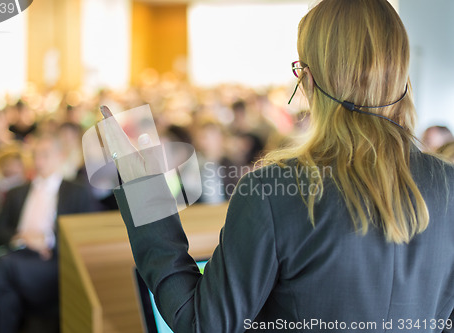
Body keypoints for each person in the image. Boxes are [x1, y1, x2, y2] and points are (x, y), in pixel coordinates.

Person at [96, 0, 454, 332]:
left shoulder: (271, 193)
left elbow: (203, 323)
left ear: (308, 81)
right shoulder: (449, 184)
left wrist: (145, 191)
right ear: (400, 77)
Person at [0, 135, 93, 333]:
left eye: (45, 155)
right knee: (4, 298)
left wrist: (47, 240)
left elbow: (84, 235)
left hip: (52, 262)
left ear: (60, 156)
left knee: (2, 265)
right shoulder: (18, 192)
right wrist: (19, 237)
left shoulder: (76, 192)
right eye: (36, 155)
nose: (39, 161)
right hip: (18, 254)